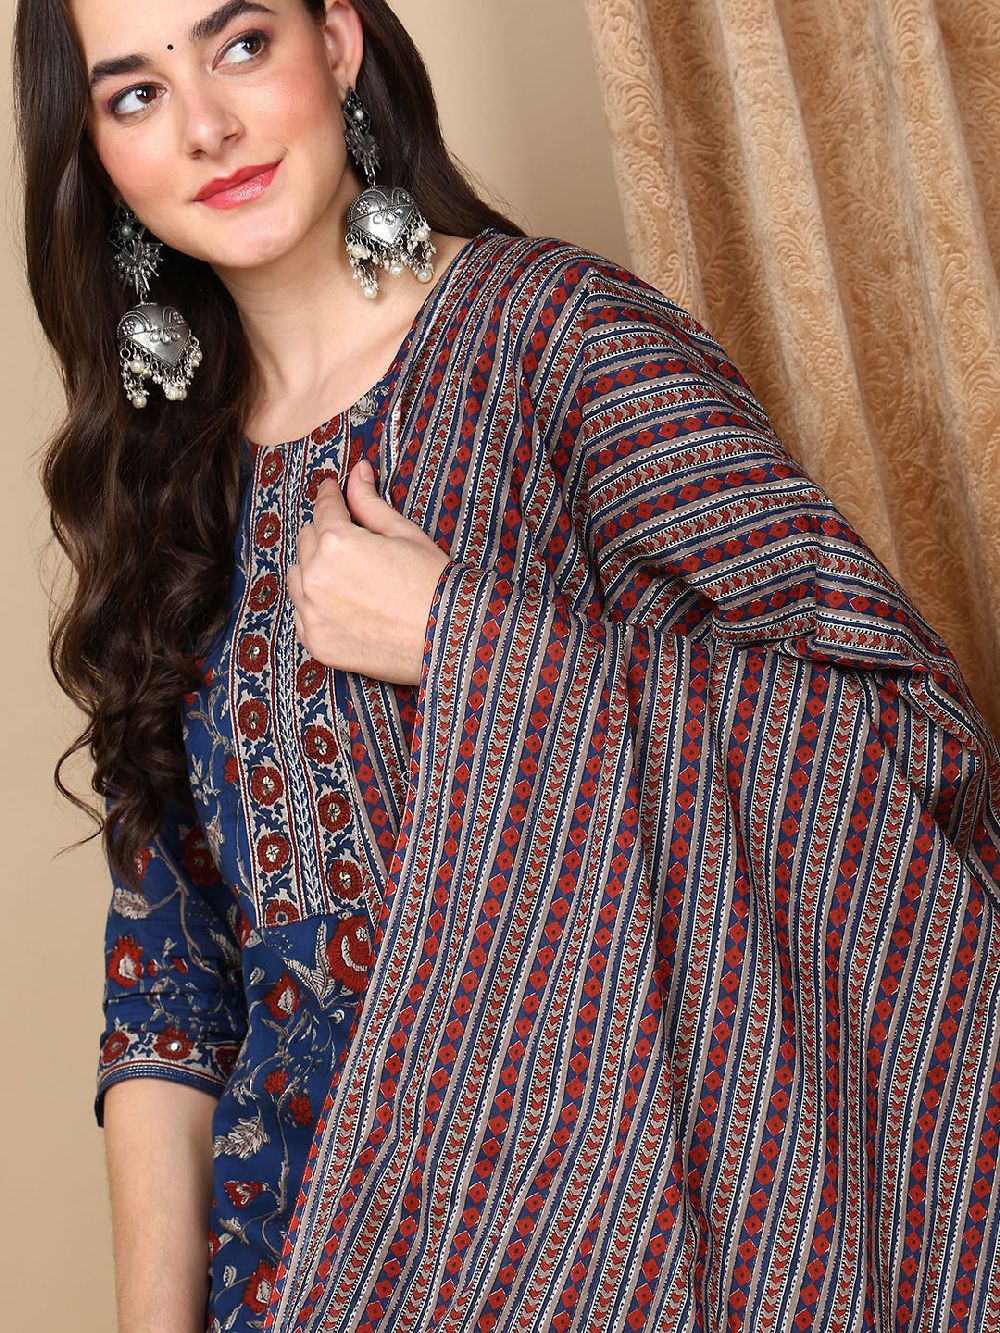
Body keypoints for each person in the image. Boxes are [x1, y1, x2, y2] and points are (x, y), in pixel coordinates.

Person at [13, 0, 1000, 1330]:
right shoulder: (159, 489)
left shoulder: (561, 342)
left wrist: (459, 638)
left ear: (337, 43)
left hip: (609, 1244)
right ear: (96, 152)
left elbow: (898, 726)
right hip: (306, 1275)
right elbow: (169, 990)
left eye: (241, 45)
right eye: (135, 94)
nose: (206, 126)